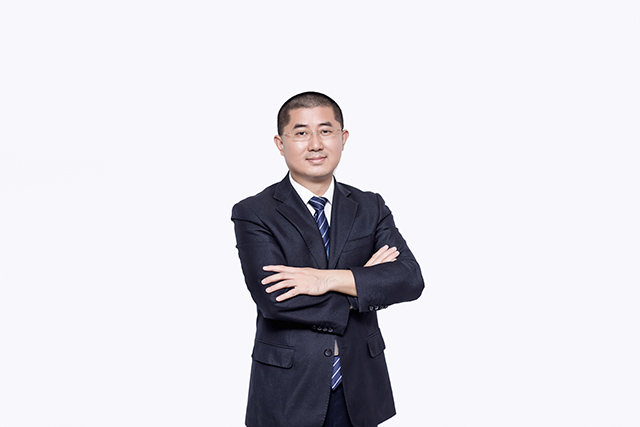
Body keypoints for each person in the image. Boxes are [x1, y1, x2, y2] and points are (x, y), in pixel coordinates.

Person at [231, 91, 424, 427]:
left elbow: (409, 279)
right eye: (301, 133)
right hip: (289, 391)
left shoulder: (370, 206)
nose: (316, 144)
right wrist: (363, 285)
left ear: (343, 138)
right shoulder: (254, 212)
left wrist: (325, 280)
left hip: (361, 388)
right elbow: (276, 300)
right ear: (280, 143)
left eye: (326, 131)